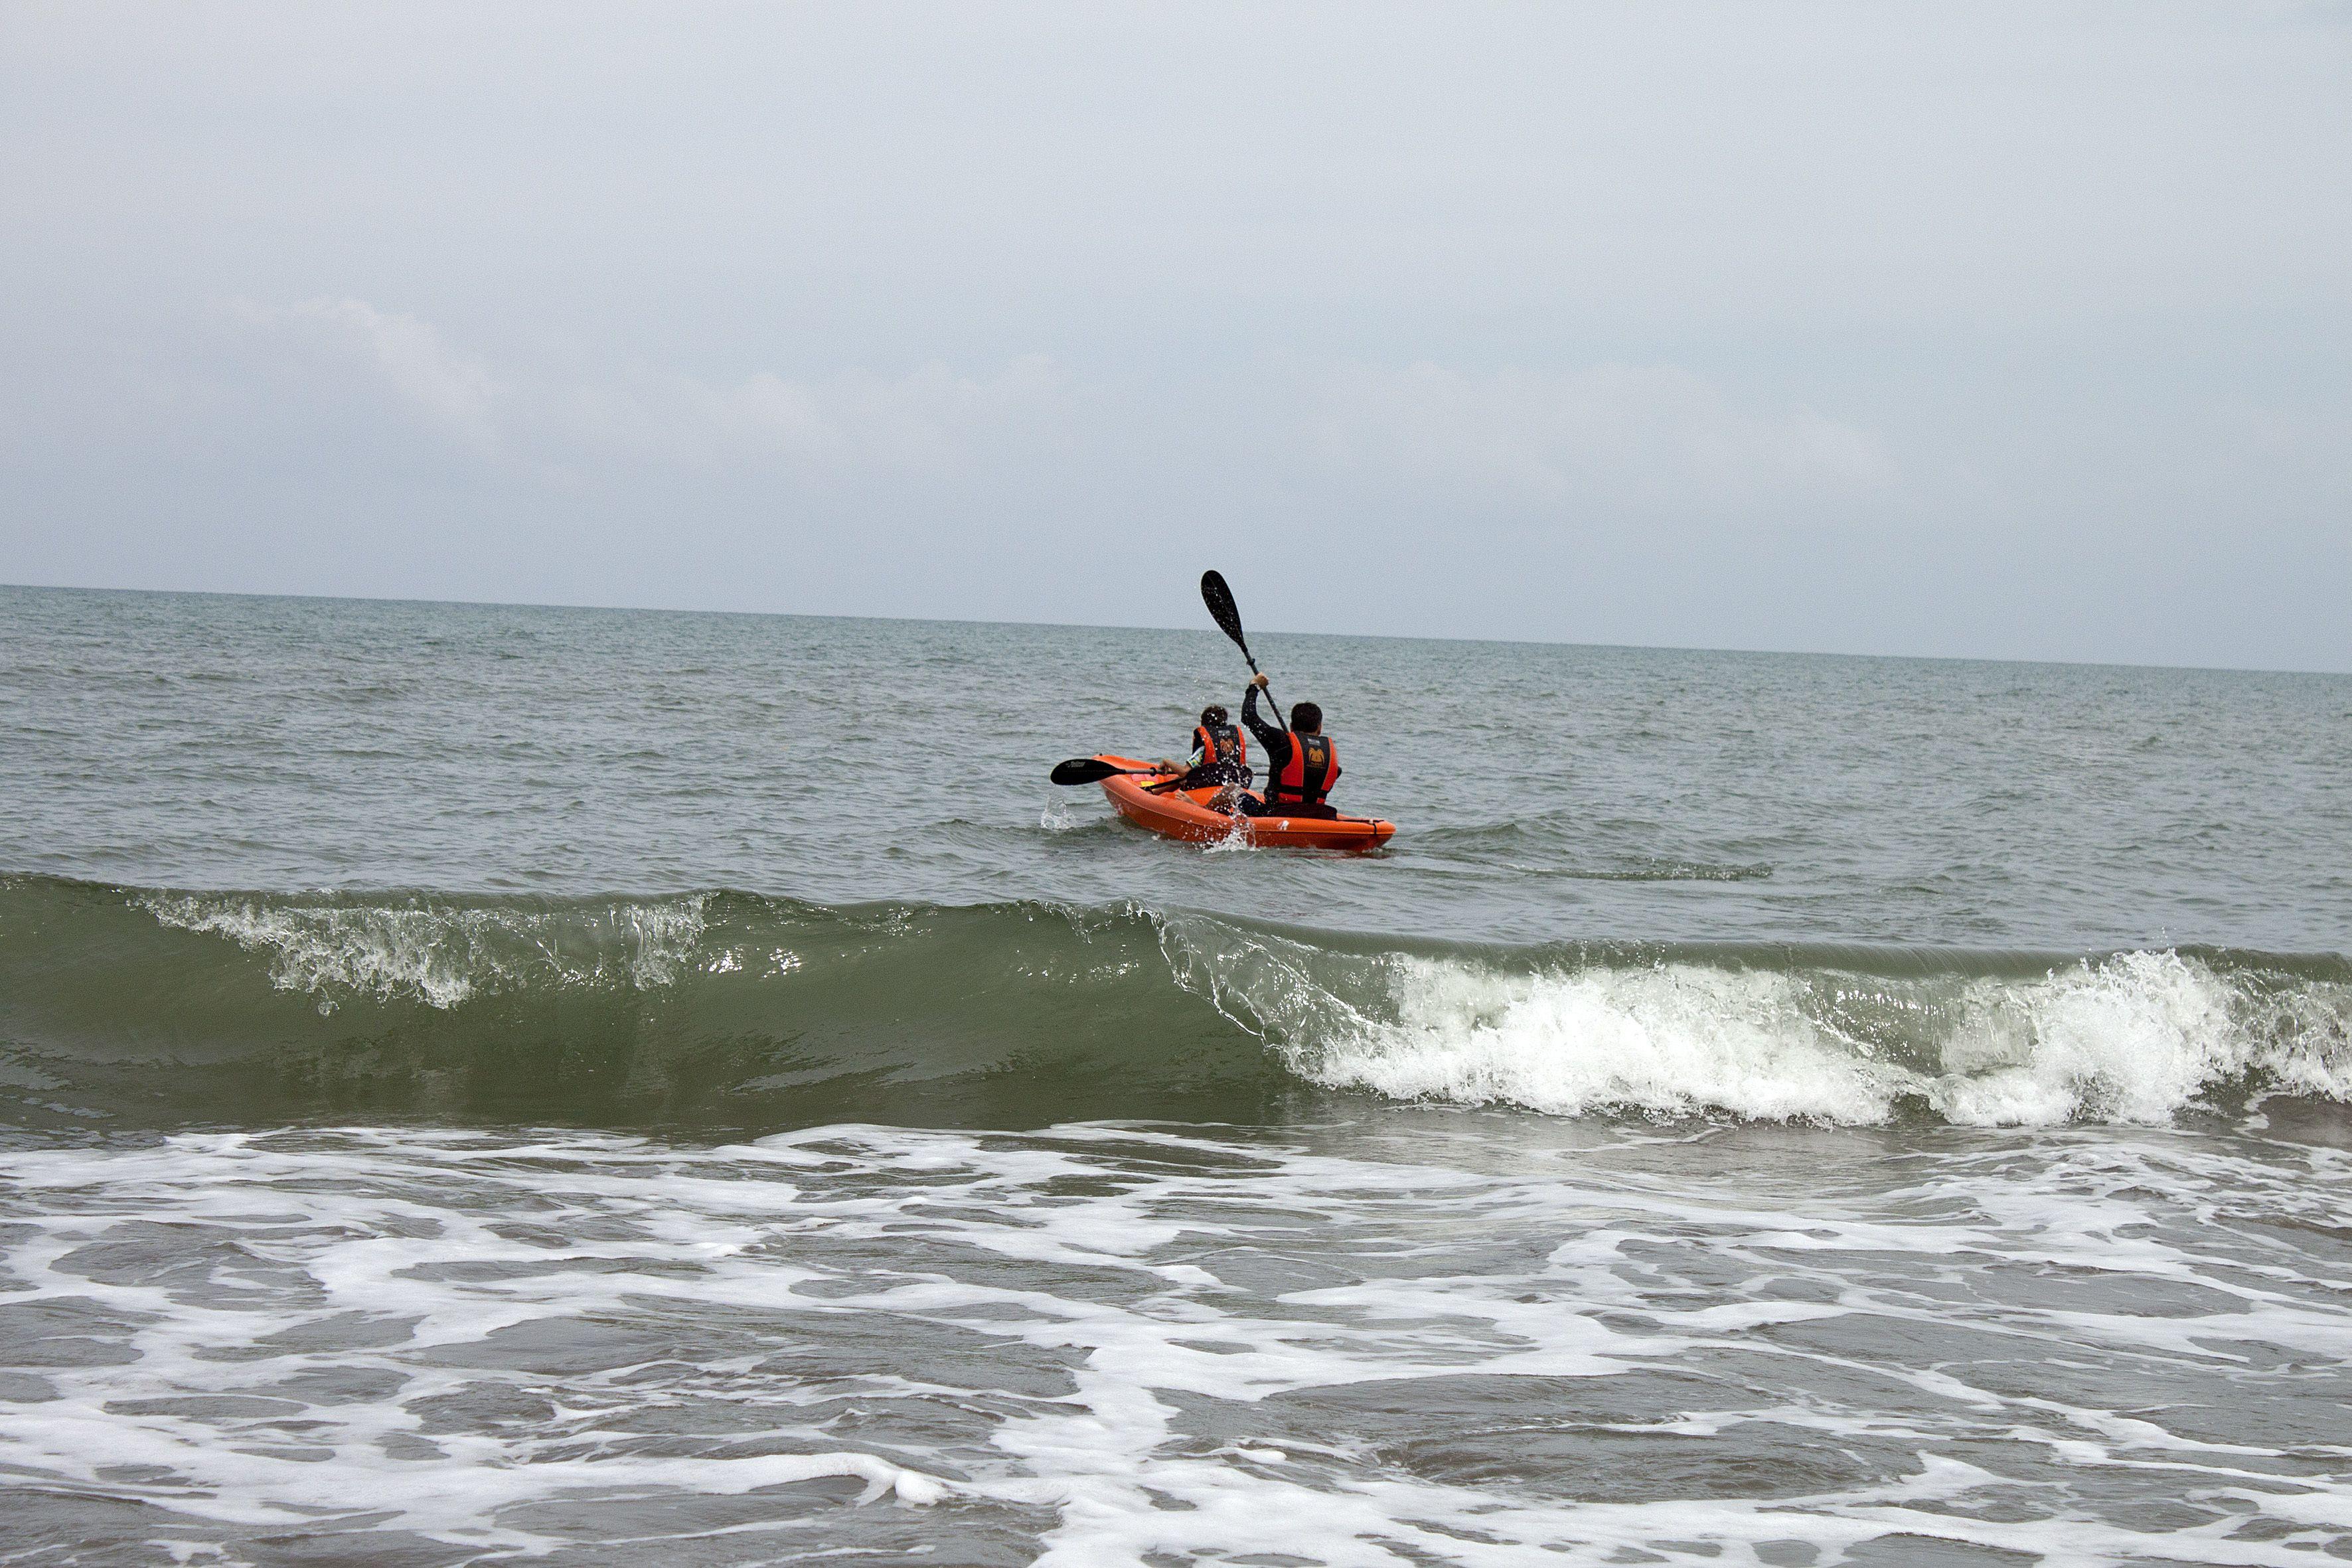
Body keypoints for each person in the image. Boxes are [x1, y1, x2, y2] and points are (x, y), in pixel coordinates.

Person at [1239, 674, 1340, 818]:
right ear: (1319, 728)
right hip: (1319, 815)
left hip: (1277, 814)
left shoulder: (1282, 742)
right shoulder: (1329, 754)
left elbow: (1249, 717)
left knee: (1233, 793)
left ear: (1291, 727)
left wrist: (1254, 686)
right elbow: (1336, 772)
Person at [1155, 704, 1253, 790]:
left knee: (1183, 778)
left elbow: (1184, 772)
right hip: (1233, 784)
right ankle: (1154, 793)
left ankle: (1153, 793)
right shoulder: (1234, 746)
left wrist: (1166, 762)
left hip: (1210, 786)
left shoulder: (1204, 748)